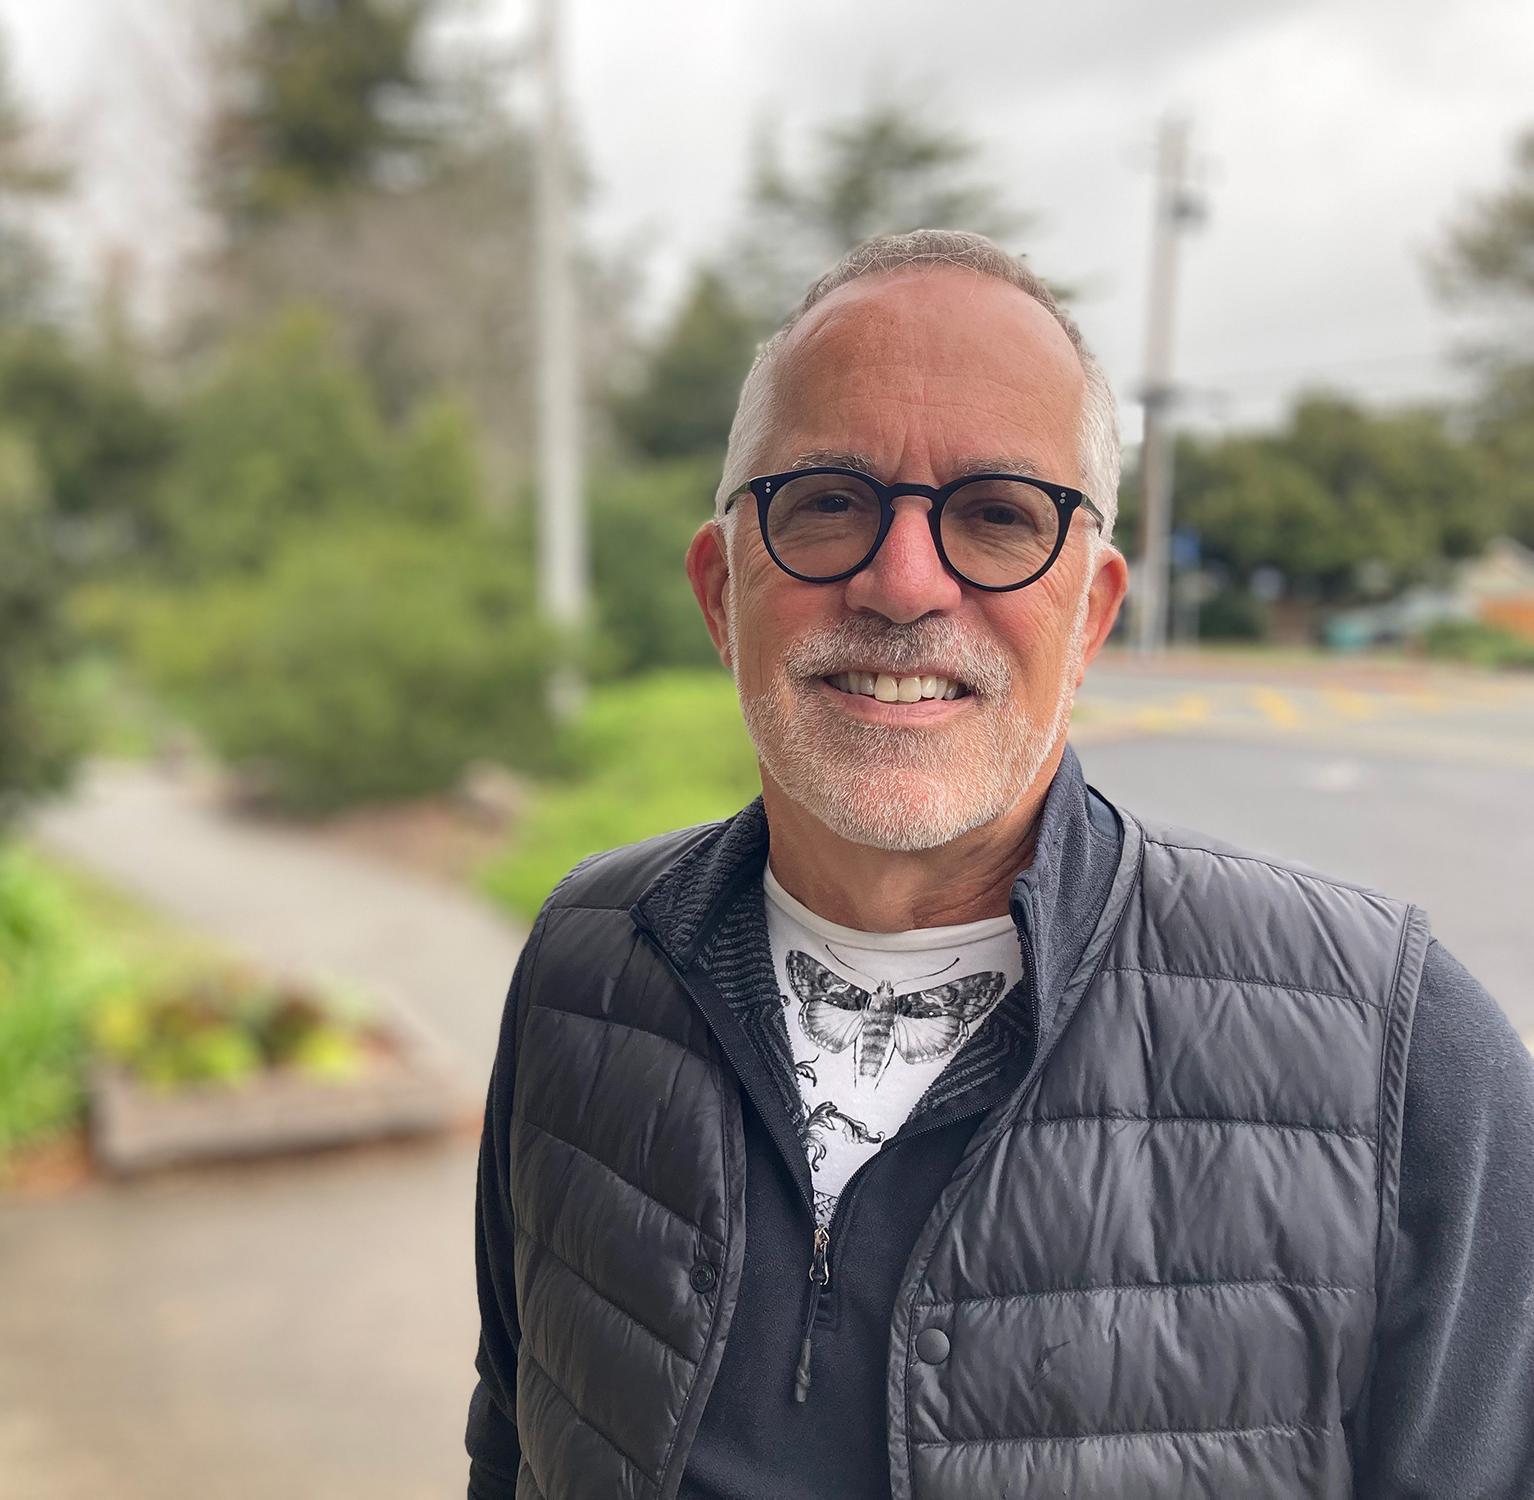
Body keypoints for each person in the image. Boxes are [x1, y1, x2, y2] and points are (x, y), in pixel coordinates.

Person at [464, 229, 1534, 1500]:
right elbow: (512, 1435)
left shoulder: (1402, 1059)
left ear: (1088, 614)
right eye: (824, 500)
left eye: (996, 515)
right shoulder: (586, 963)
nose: (902, 581)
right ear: (720, 591)